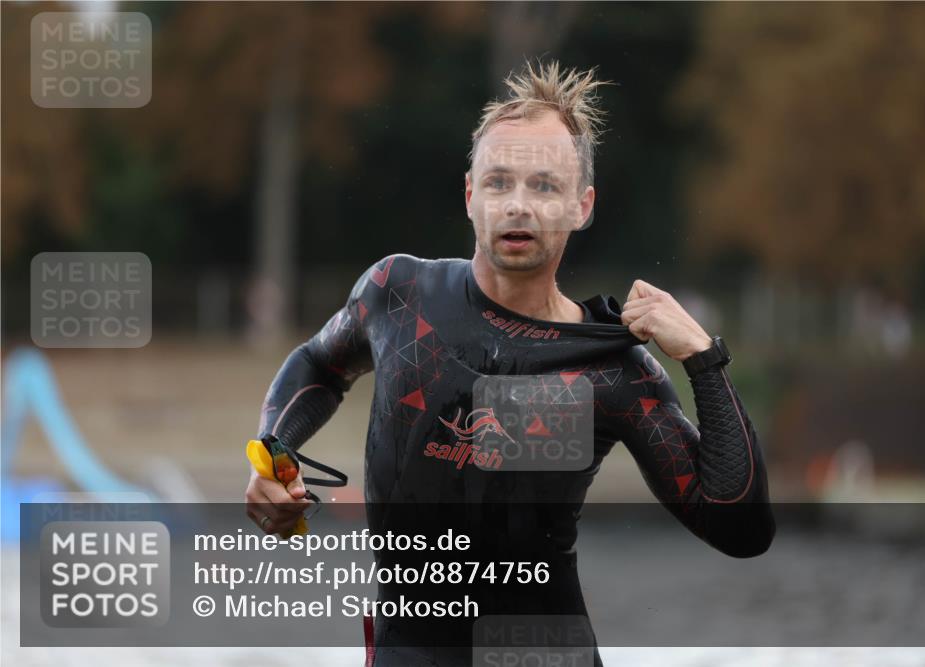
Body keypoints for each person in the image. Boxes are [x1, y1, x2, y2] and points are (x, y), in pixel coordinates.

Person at [246, 59, 775, 666]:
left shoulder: (611, 371)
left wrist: (705, 361)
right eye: (499, 182)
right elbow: (319, 363)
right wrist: (274, 453)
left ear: (582, 205)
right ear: (471, 194)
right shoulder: (397, 294)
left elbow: (741, 530)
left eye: (545, 185)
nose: (518, 204)